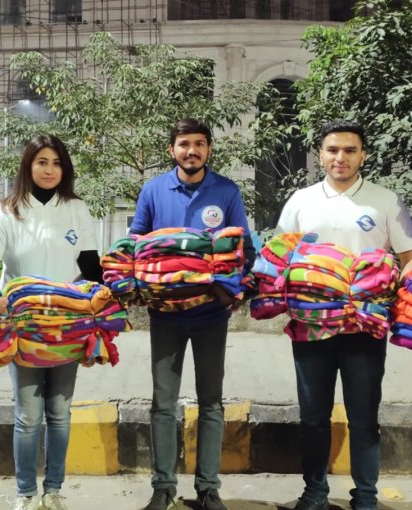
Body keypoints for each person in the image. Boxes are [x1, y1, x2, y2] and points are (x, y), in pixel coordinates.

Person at [276, 120, 412, 510]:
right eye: (332, 150)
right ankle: (314, 493)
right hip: (311, 327)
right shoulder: (301, 201)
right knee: (313, 417)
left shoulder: (385, 201)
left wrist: (393, 298)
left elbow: (410, 259)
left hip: (365, 328)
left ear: (363, 156)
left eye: (350, 150)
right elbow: (280, 256)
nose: (340, 157)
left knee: (364, 417)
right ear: (321, 154)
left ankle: (366, 497)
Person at [0, 134, 102, 510]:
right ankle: (25, 494)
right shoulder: (7, 212)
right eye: (42, 161)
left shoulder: (76, 209)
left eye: (57, 163)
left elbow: (92, 269)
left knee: (59, 414)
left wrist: (104, 308)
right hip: (22, 329)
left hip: (66, 328)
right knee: (28, 416)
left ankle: (53, 491)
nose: (49, 169)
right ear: (28, 166)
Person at [129, 118, 255, 510]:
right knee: (163, 402)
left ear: (209, 149)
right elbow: (135, 243)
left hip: (210, 315)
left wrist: (233, 290)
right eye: (184, 144)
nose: (192, 151)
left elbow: (244, 248)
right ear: (172, 150)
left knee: (211, 402)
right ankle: (163, 488)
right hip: (165, 314)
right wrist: (140, 286)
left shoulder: (226, 191)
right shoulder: (153, 190)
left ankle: (208, 488)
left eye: (199, 143)